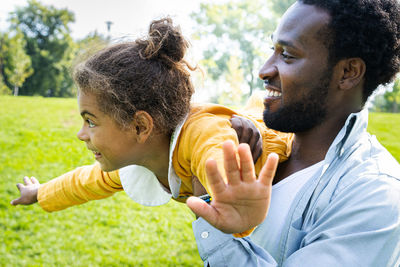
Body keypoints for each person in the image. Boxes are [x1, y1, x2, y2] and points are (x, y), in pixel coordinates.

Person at [10, 18, 291, 238]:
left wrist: (223, 196)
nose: (81, 134)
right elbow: (86, 182)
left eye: (91, 121)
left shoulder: (200, 133)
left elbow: (215, 154)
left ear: (141, 126)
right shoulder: (140, 159)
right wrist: (39, 193)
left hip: (285, 135)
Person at [187, 0, 400, 266]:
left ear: (348, 72)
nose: (264, 70)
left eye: (287, 55)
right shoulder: (254, 149)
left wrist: (220, 235)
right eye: (272, 50)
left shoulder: (374, 194)